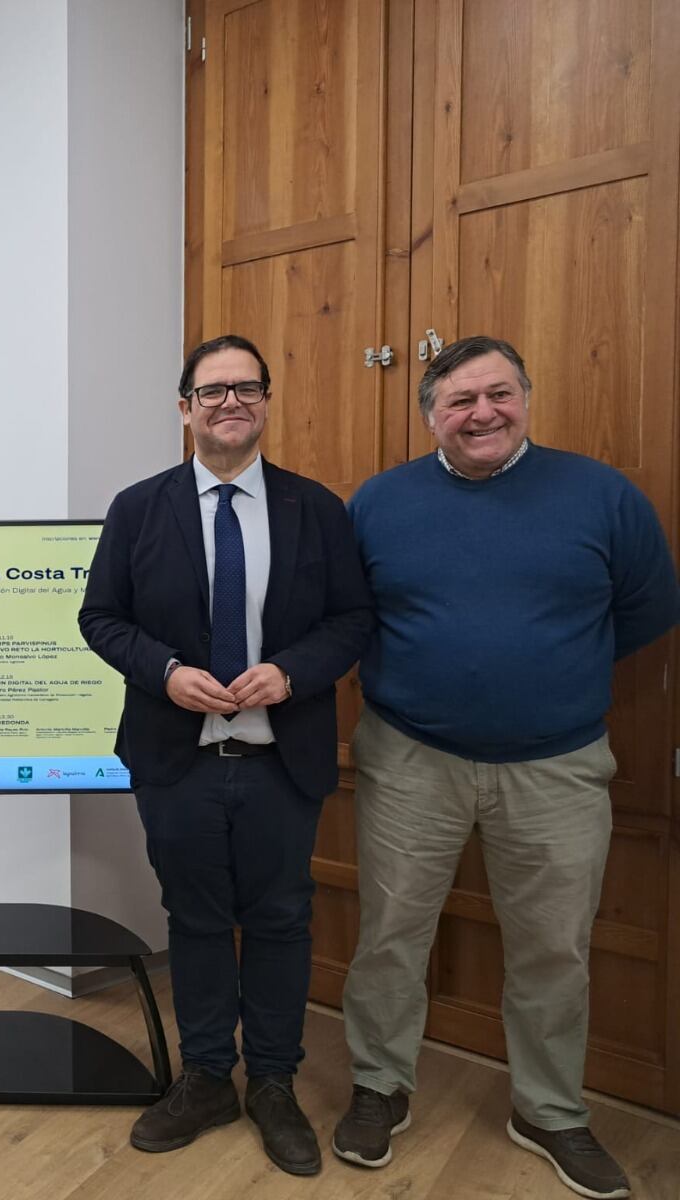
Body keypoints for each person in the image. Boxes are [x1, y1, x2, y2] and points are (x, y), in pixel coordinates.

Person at [335, 335, 679, 1200]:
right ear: (431, 417)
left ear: (526, 397)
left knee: (555, 948)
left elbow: (647, 607)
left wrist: (549, 671)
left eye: (498, 394)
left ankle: (551, 1110)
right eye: (459, 401)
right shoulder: (379, 501)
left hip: (557, 765)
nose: (481, 412)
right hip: (410, 757)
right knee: (388, 935)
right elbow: (346, 614)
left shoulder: (599, 494)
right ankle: (380, 1085)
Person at [80, 334, 373, 1176]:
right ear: (185, 409)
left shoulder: (317, 508)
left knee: (282, 919)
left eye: (247, 388)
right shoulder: (139, 508)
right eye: (212, 391)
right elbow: (101, 619)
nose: (230, 402)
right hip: (178, 759)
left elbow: (350, 620)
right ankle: (208, 1076)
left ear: (267, 403)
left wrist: (291, 672)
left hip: (284, 759)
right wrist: (166, 674)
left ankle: (273, 1084)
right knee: (196, 919)